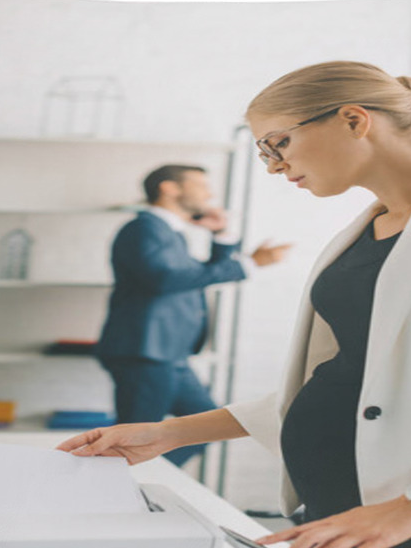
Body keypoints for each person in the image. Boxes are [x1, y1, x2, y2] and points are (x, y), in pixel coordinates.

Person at [59, 61, 411, 548]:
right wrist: (167, 432)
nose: (274, 165)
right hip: (341, 503)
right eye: (265, 151)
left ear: (354, 120)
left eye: (278, 143)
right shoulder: (366, 229)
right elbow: (349, 377)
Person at [95, 163, 291, 467]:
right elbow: (166, 279)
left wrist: (222, 235)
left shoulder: (168, 232)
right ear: (169, 188)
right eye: (201, 185)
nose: (209, 194)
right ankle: (121, 487)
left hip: (167, 354)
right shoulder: (143, 228)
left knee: (204, 428)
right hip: (145, 351)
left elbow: (196, 274)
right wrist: (248, 264)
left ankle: (139, 478)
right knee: (131, 438)